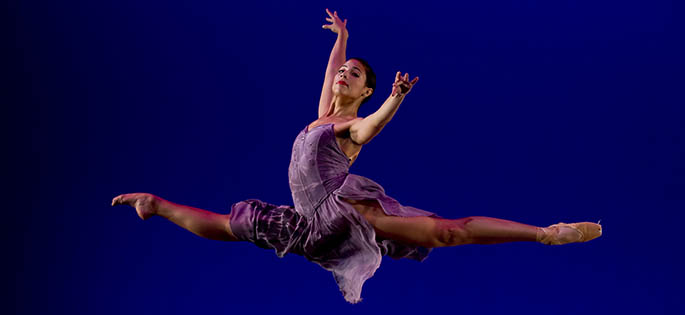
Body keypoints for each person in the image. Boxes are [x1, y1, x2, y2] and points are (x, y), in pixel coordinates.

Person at [111, 8, 602, 304]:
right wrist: (342, 40)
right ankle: (154, 205)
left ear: (366, 90)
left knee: (445, 231)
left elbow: (370, 127)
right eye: (343, 71)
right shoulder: (322, 112)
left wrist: (396, 97)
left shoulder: (348, 124)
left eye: (354, 74)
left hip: (344, 211)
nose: (343, 74)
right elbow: (329, 74)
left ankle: (546, 233)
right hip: (305, 222)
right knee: (226, 226)